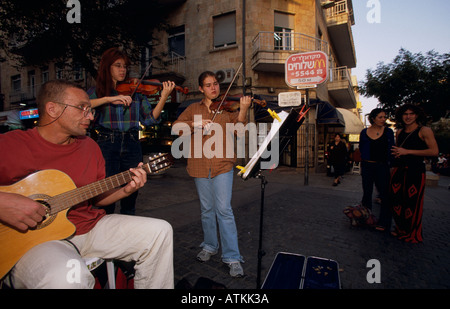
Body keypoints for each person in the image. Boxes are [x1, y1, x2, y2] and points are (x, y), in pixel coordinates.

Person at [0, 80, 173, 288]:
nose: (91, 116)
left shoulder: (90, 146)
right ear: (52, 109)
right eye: (82, 108)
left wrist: (127, 189)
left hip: (88, 227)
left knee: (160, 232)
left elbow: (98, 198)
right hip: (35, 241)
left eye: (90, 110)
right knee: (68, 277)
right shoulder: (11, 144)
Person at [172, 71, 251, 277]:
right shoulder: (192, 109)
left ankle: (232, 257)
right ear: (201, 88)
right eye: (208, 85)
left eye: (215, 84)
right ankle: (209, 246)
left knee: (224, 210)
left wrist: (243, 110)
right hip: (199, 165)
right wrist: (194, 124)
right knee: (207, 210)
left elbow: (239, 131)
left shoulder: (227, 109)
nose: (213, 88)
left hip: (223, 164)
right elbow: (176, 127)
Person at [89, 47, 176, 215]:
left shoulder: (136, 93)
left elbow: (149, 119)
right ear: (107, 67)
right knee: (106, 195)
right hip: (107, 144)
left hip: (132, 143)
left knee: (131, 194)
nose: (123, 70)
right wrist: (109, 99)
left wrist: (164, 96)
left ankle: (128, 233)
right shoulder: (97, 92)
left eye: (125, 66)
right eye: (118, 66)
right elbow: (82, 105)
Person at [390, 103, 439, 243]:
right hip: (399, 170)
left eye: (411, 114)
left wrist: (408, 152)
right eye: (405, 114)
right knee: (397, 201)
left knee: (412, 203)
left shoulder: (424, 130)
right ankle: (400, 228)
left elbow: (434, 151)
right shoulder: (399, 132)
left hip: (415, 171)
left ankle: (411, 233)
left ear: (416, 115)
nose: (408, 117)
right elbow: (399, 151)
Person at [359, 108, 395, 231]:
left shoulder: (388, 132)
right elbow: (362, 148)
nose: (383, 119)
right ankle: (366, 218)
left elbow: (392, 149)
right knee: (367, 193)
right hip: (367, 166)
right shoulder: (364, 132)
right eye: (380, 117)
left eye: (384, 117)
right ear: (373, 118)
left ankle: (384, 222)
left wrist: (391, 166)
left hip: (382, 166)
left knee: (385, 194)